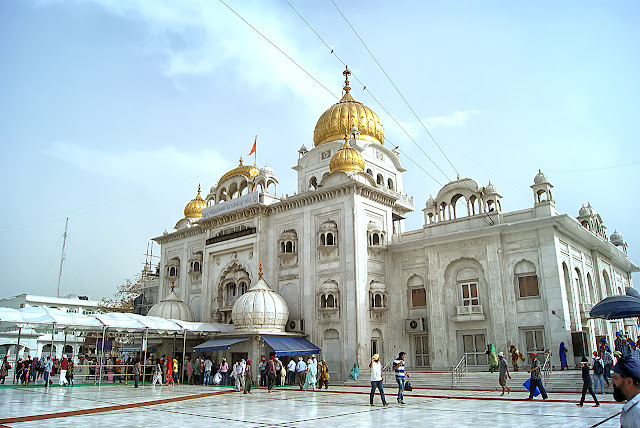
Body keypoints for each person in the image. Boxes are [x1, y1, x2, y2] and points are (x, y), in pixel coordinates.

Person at [612, 356, 640, 427]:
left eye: (615, 378)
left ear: (629, 382)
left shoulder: (637, 411)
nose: (612, 382)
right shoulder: (632, 408)